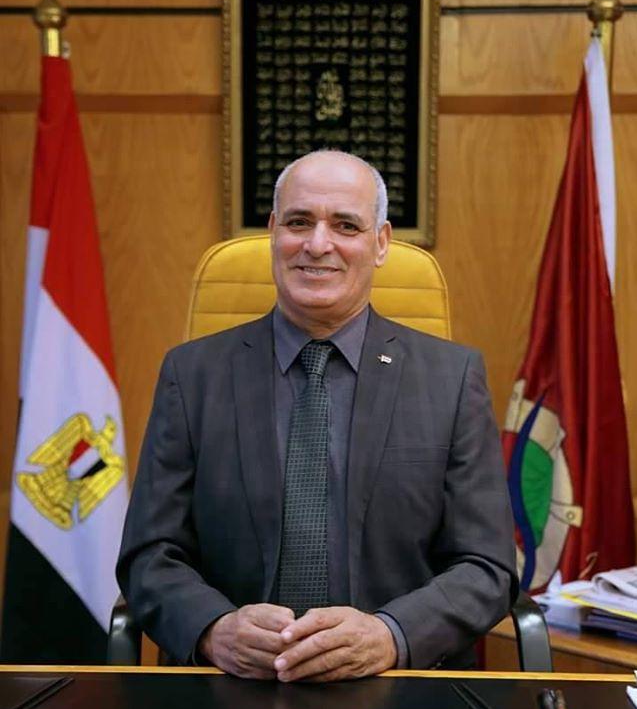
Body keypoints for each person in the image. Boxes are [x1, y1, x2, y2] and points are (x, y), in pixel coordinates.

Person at [117, 150, 517, 681]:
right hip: (231, 686)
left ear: (381, 243)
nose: (318, 244)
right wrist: (214, 629)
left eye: (346, 225)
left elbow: (487, 566)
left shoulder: (452, 379)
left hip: (397, 688)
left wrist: (393, 636)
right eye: (299, 222)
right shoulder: (193, 375)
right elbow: (149, 554)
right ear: (273, 232)